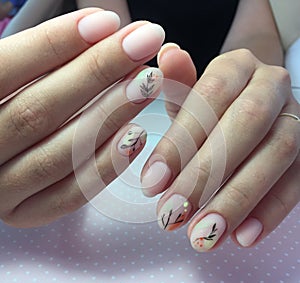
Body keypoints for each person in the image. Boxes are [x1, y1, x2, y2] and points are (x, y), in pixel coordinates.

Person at [0, 1, 299, 255]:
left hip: (199, 102)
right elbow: (113, 43)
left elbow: (258, 35)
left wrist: (248, 93)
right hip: (134, 104)